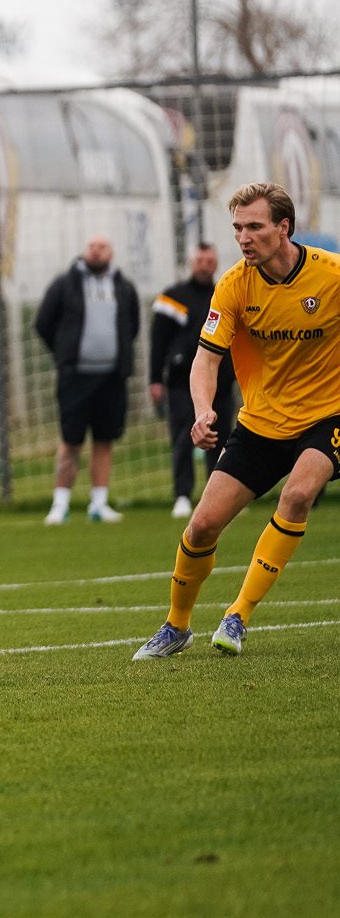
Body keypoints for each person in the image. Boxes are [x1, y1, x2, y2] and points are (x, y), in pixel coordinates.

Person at [135, 183, 340, 659]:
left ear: (282, 227)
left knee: (298, 493)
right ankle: (176, 625)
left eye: (254, 226)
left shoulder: (331, 276)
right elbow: (206, 360)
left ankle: (238, 615)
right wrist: (204, 409)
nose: (243, 238)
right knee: (203, 526)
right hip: (262, 422)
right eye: (237, 228)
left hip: (327, 415)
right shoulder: (233, 285)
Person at [34, 234, 142, 525]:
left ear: (111, 253)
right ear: (84, 252)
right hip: (75, 376)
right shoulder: (64, 284)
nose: (97, 252)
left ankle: (99, 503)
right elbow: (43, 322)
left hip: (111, 377)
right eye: (92, 247)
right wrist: (64, 353)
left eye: (103, 247)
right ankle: (60, 504)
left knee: (104, 439)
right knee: (71, 440)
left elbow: (131, 325)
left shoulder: (124, 287)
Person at [150, 243, 239, 520]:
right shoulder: (173, 297)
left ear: (215, 263)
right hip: (179, 384)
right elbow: (158, 341)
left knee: (222, 439)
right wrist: (154, 378)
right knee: (182, 438)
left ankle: (218, 499)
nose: (204, 264)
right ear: (191, 262)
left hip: (222, 384)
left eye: (209, 260)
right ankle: (182, 495)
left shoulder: (225, 293)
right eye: (200, 259)